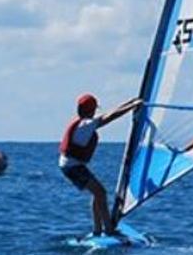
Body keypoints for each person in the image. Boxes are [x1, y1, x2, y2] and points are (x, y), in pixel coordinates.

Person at [59, 93, 143, 237]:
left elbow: (110, 112)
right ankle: (108, 229)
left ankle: (98, 229)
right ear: (91, 110)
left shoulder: (82, 123)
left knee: (98, 193)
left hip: (70, 164)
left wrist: (131, 102)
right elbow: (110, 117)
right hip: (72, 166)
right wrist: (132, 107)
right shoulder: (86, 124)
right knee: (101, 193)